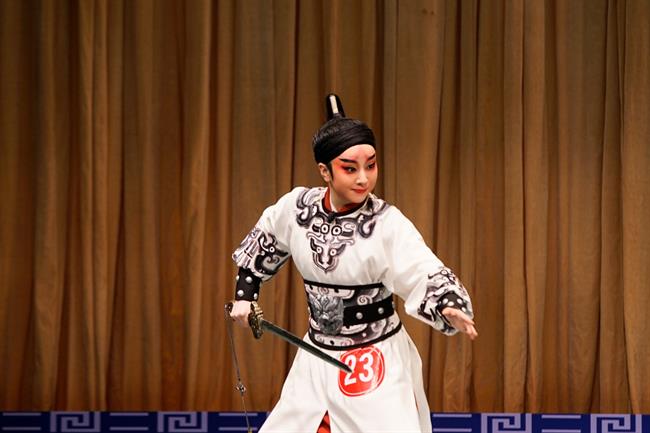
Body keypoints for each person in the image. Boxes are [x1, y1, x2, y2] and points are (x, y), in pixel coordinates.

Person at [229, 94, 478, 433]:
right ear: (325, 171)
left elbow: (421, 268)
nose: (363, 178)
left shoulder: (386, 223)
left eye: (370, 166)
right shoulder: (297, 209)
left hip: (373, 358)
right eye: (350, 168)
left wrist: (446, 303)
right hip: (316, 353)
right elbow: (263, 243)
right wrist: (245, 296)